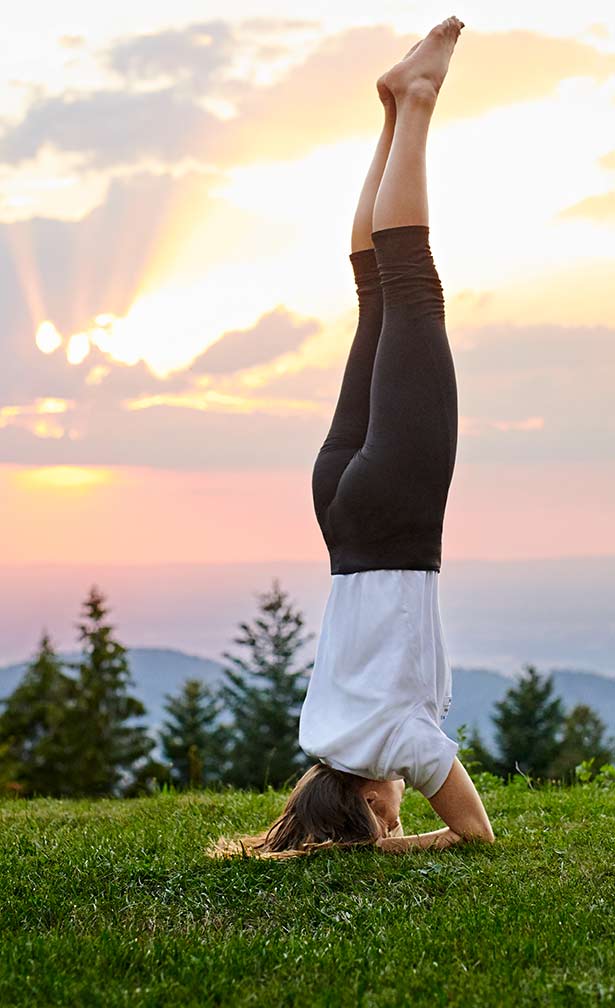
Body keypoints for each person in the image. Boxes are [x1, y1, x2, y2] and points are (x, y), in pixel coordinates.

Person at [214, 16, 495, 859]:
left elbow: (474, 836)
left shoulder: (393, 745)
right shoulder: (325, 733)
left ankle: (413, 100)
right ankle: (389, 109)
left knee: (412, 291)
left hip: (393, 519)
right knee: (376, 295)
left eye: (390, 815)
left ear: (369, 808)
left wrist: (376, 851)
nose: (403, 809)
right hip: (336, 515)